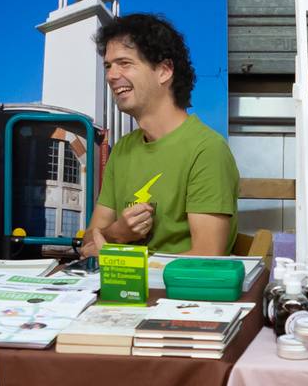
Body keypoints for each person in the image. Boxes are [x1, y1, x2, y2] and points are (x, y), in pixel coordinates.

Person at [80, 13, 239, 258]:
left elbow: (207, 257)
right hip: (120, 292)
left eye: (125, 63)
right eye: (108, 66)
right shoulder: (122, 148)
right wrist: (117, 233)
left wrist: (117, 254)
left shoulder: (207, 150)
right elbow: (88, 245)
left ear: (164, 71)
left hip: (179, 296)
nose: (111, 76)